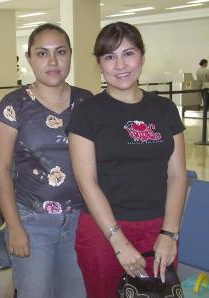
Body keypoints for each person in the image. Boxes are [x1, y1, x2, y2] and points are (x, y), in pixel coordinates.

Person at [67, 22, 187, 298]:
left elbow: (178, 175)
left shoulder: (165, 110)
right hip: (104, 232)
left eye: (128, 54)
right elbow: (87, 183)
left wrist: (169, 234)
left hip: (160, 229)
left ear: (142, 57)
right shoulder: (87, 113)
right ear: (99, 64)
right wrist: (118, 241)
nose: (120, 65)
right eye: (110, 56)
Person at [0, 23, 92, 298]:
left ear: (70, 54)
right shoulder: (14, 105)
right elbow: (0, 169)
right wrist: (14, 227)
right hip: (31, 222)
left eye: (60, 52)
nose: (52, 61)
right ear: (29, 58)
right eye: (41, 53)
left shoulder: (87, 103)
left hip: (80, 221)